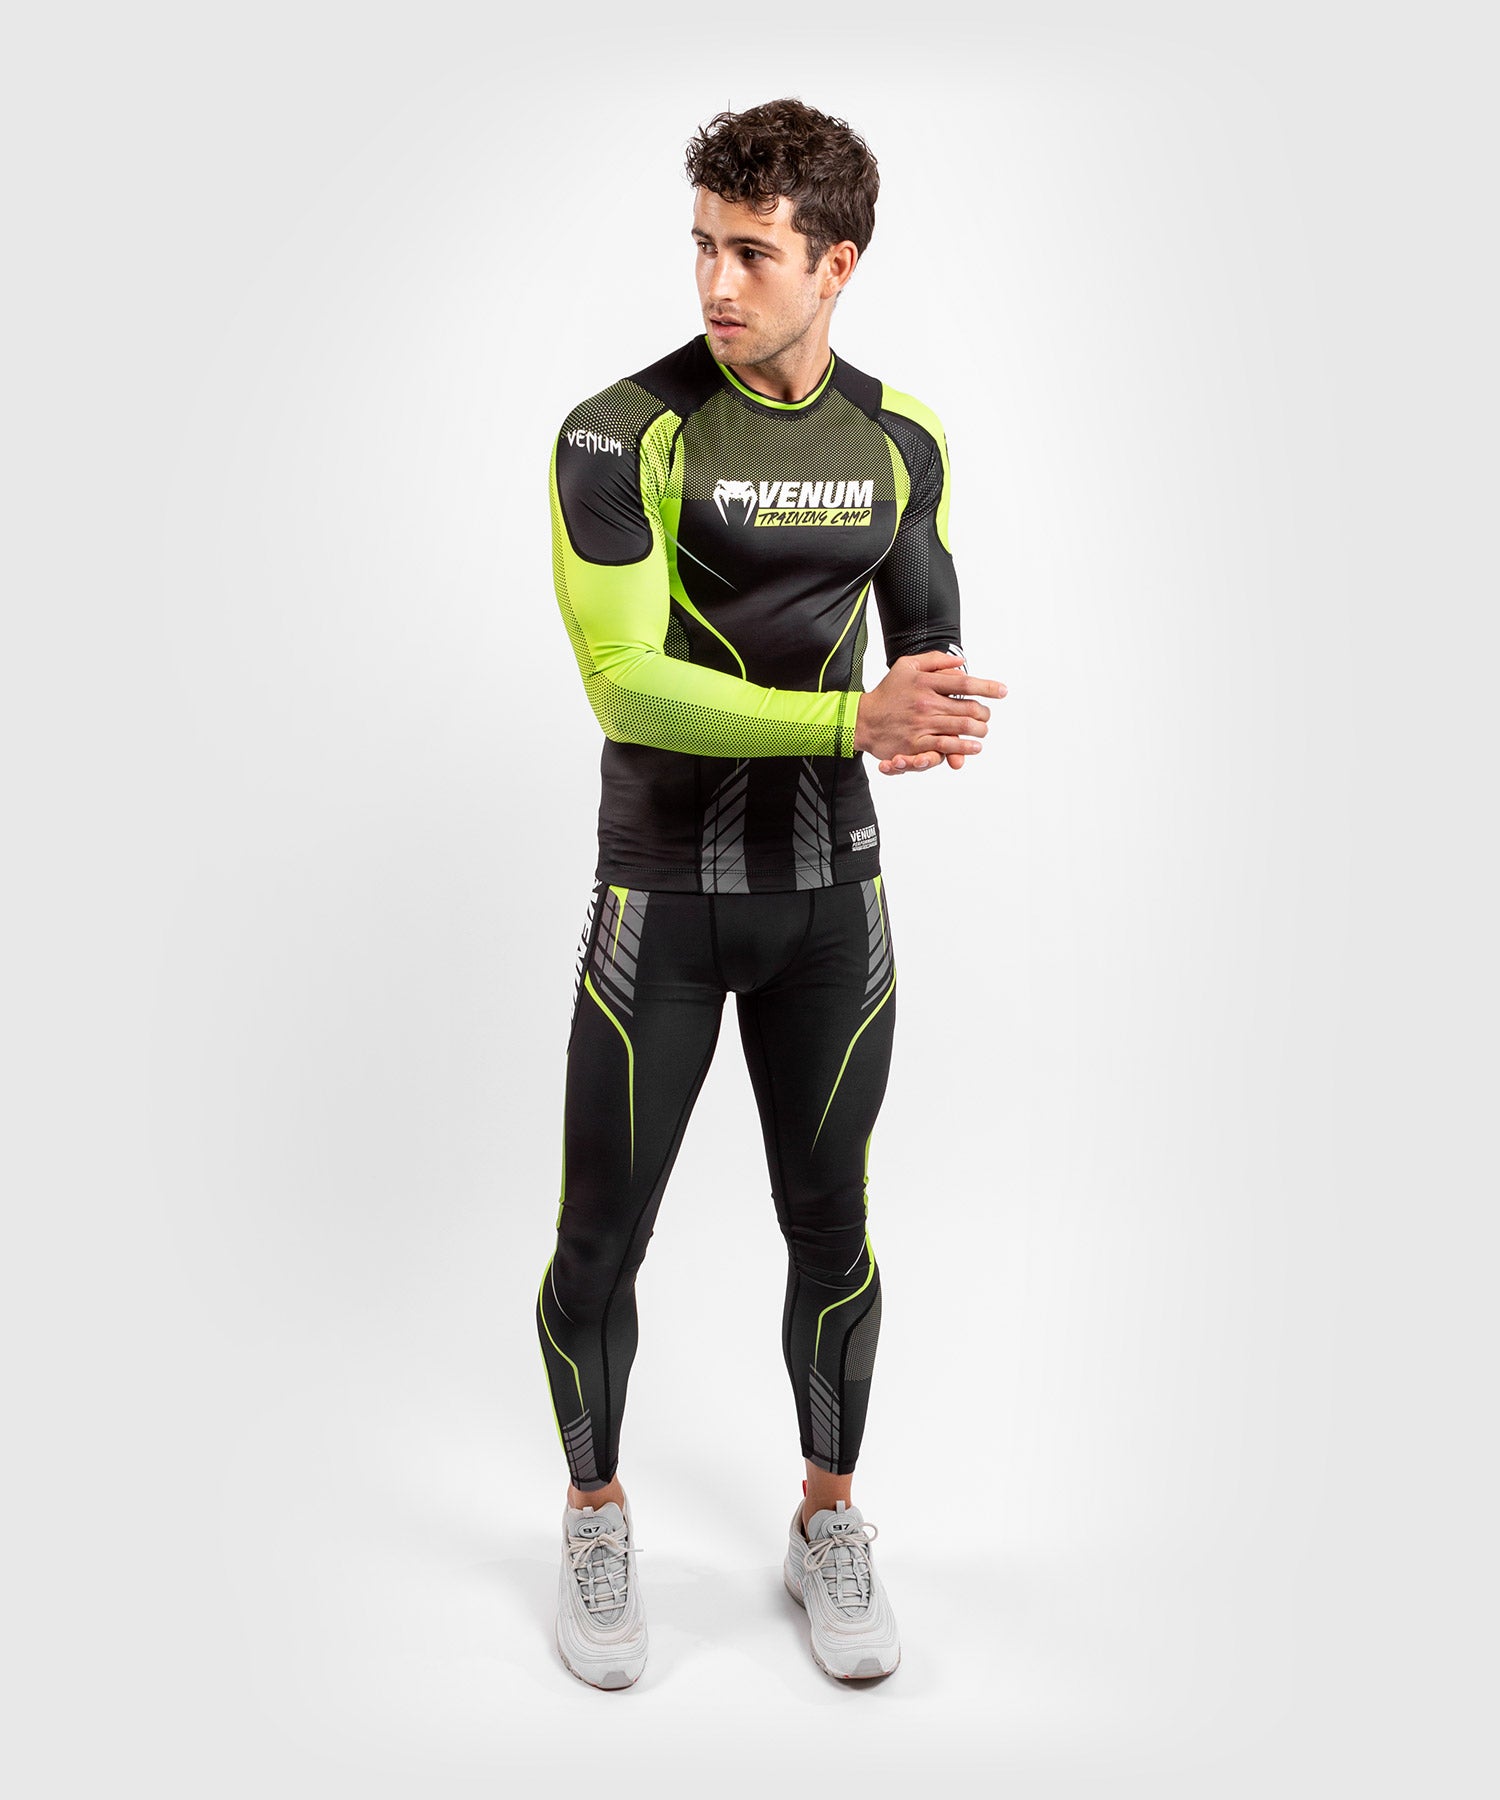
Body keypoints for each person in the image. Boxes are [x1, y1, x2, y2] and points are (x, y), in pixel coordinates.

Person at [537, 97, 1005, 1689]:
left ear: (836, 264)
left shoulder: (903, 439)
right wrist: (851, 720)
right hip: (660, 904)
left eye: (751, 253)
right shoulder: (621, 433)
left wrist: (937, 705)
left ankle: (828, 1519)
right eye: (702, 247)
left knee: (835, 1229)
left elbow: (926, 633)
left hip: (829, 906)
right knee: (600, 1243)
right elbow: (624, 683)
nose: (715, 283)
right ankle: (595, 1519)